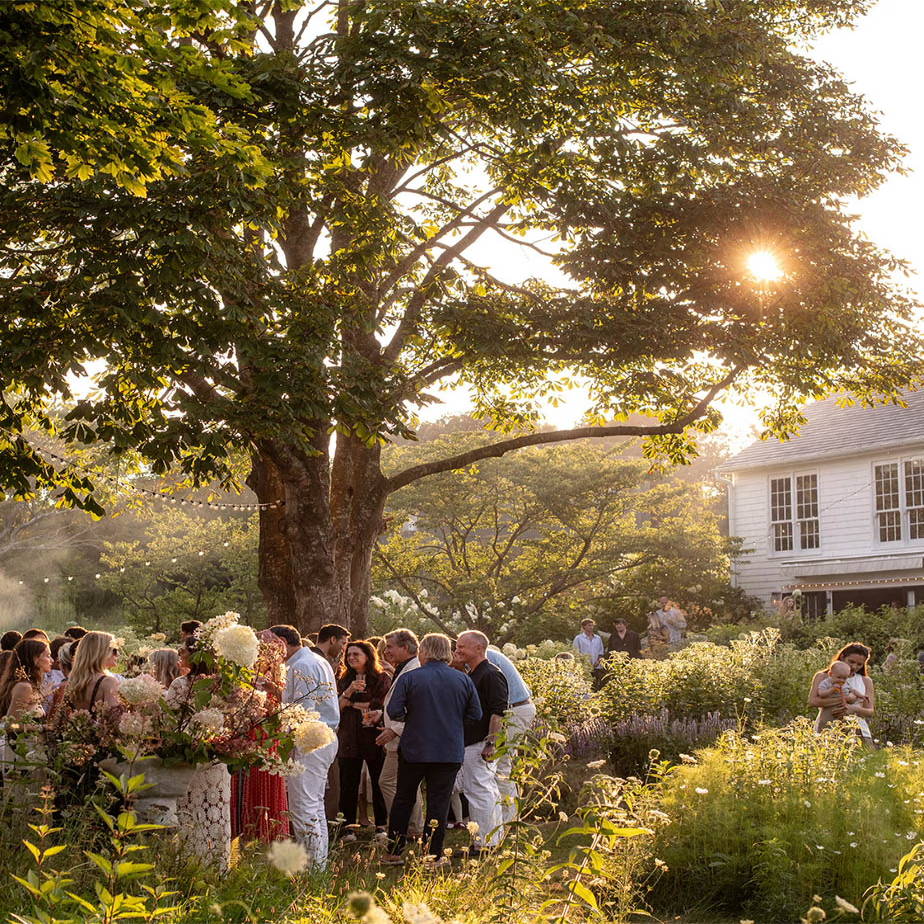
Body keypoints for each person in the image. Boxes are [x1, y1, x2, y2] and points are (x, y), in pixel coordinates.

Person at [383, 633, 481, 866]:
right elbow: (475, 714)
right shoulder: (463, 679)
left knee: (404, 798)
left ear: (423, 651)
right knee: (439, 801)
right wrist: (452, 722)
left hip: (415, 747)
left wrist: (414, 717)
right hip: (448, 749)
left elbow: (394, 711)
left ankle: (394, 851)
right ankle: (433, 854)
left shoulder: (411, 678)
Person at [270, 624, 339, 868]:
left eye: (268, 645)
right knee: (314, 804)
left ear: (281, 641)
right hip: (318, 738)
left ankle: (313, 869)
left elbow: (302, 711)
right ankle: (319, 863)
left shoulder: (303, 665)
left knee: (303, 807)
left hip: (309, 740)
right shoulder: (307, 661)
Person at [453, 630, 508, 852]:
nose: (457, 651)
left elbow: (498, 712)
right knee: (486, 790)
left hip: (479, 743)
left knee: (479, 792)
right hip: (471, 741)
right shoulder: (474, 673)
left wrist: (491, 742)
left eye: (462, 647)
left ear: (478, 648)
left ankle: (484, 843)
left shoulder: (490, 674)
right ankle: (493, 838)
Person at [234, 630, 290, 842]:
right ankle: (246, 828)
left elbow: (286, 700)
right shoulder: (244, 673)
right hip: (247, 731)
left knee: (265, 777)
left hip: (267, 732)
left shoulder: (278, 676)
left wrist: (271, 688)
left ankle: (269, 830)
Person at [336, 640, 390, 836]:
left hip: (373, 735)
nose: (351, 658)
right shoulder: (343, 679)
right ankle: (348, 827)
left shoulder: (381, 678)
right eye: (349, 654)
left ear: (368, 656)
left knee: (378, 781)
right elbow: (337, 707)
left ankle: (381, 825)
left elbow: (377, 704)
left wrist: (351, 704)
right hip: (349, 736)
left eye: (356, 654)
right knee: (348, 782)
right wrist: (349, 692)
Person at [375, 629, 423, 832]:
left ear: (405, 647)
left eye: (390, 647)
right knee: (409, 784)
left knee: (387, 781)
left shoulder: (413, 670)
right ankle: (413, 826)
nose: (386, 651)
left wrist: (394, 730)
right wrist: (380, 714)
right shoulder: (403, 667)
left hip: (406, 737)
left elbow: (416, 707)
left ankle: (403, 825)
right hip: (402, 736)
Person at [486, 646, 536, 827]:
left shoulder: (485, 658)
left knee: (502, 761)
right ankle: (505, 813)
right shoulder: (487, 655)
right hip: (516, 707)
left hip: (514, 709)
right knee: (502, 761)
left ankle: (509, 818)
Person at [809, 643, 876, 744]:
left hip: (858, 731)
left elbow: (870, 711)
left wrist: (853, 709)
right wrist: (846, 700)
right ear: (842, 657)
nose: (854, 667)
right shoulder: (823, 676)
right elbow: (813, 701)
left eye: (859, 664)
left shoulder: (865, 681)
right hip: (826, 728)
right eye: (851, 661)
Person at [65, 631, 121, 713]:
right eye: (114, 650)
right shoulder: (108, 682)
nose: (118, 654)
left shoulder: (72, 682)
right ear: (102, 652)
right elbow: (114, 720)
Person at [0, 638, 52, 719]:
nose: (52, 660)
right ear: (35, 658)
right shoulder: (24, 686)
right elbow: (11, 725)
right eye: (48, 656)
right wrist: (43, 728)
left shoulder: (29, 685)